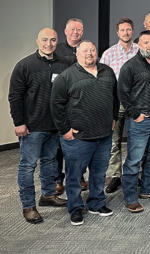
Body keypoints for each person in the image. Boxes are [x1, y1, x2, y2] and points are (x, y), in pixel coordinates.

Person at [50, 41, 118, 225]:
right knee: (74, 175)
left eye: (93, 50)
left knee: (99, 173)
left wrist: (113, 118)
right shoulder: (66, 77)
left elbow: (114, 97)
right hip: (78, 138)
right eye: (85, 51)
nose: (89, 53)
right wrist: (65, 130)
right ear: (77, 54)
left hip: (103, 135)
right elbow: (56, 105)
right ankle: (75, 208)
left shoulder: (107, 71)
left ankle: (96, 203)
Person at [9, 28, 68, 224]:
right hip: (32, 127)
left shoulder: (64, 64)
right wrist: (19, 123)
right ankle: (28, 206)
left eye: (52, 40)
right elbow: (15, 96)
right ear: (37, 41)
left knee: (50, 162)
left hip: (54, 126)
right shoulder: (25, 65)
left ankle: (48, 196)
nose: (48, 44)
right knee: (27, 166)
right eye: (45, 40)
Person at [118, 30, 150, 213]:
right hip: (140, 120)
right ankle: (131, 197)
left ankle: (148, 189)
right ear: (139, 44)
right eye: (146, 42)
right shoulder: (130, 66)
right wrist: (135, 114)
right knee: (134, 160)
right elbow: (122, 93)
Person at [100, 18, 139, 194]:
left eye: (129, 30)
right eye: (122, 30)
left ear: (132, 31)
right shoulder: (108, 54)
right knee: (114, 141)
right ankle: (115, 175)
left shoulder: (140, 51)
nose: (126, 33)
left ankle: (132, 173)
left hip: (135, 102)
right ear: (117, 33)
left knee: (134, 141)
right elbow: (101, 81)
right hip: (115, 103)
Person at [53, 18, 85, 192]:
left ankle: (79, 176)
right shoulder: (57, 51)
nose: (76, 32)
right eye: (72, 29)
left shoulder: (86, 49)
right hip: (62, 103)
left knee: (79, 145)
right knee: (59, 146)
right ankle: (58, 180)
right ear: (65, 31)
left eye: (79, 30)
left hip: (80, 105)